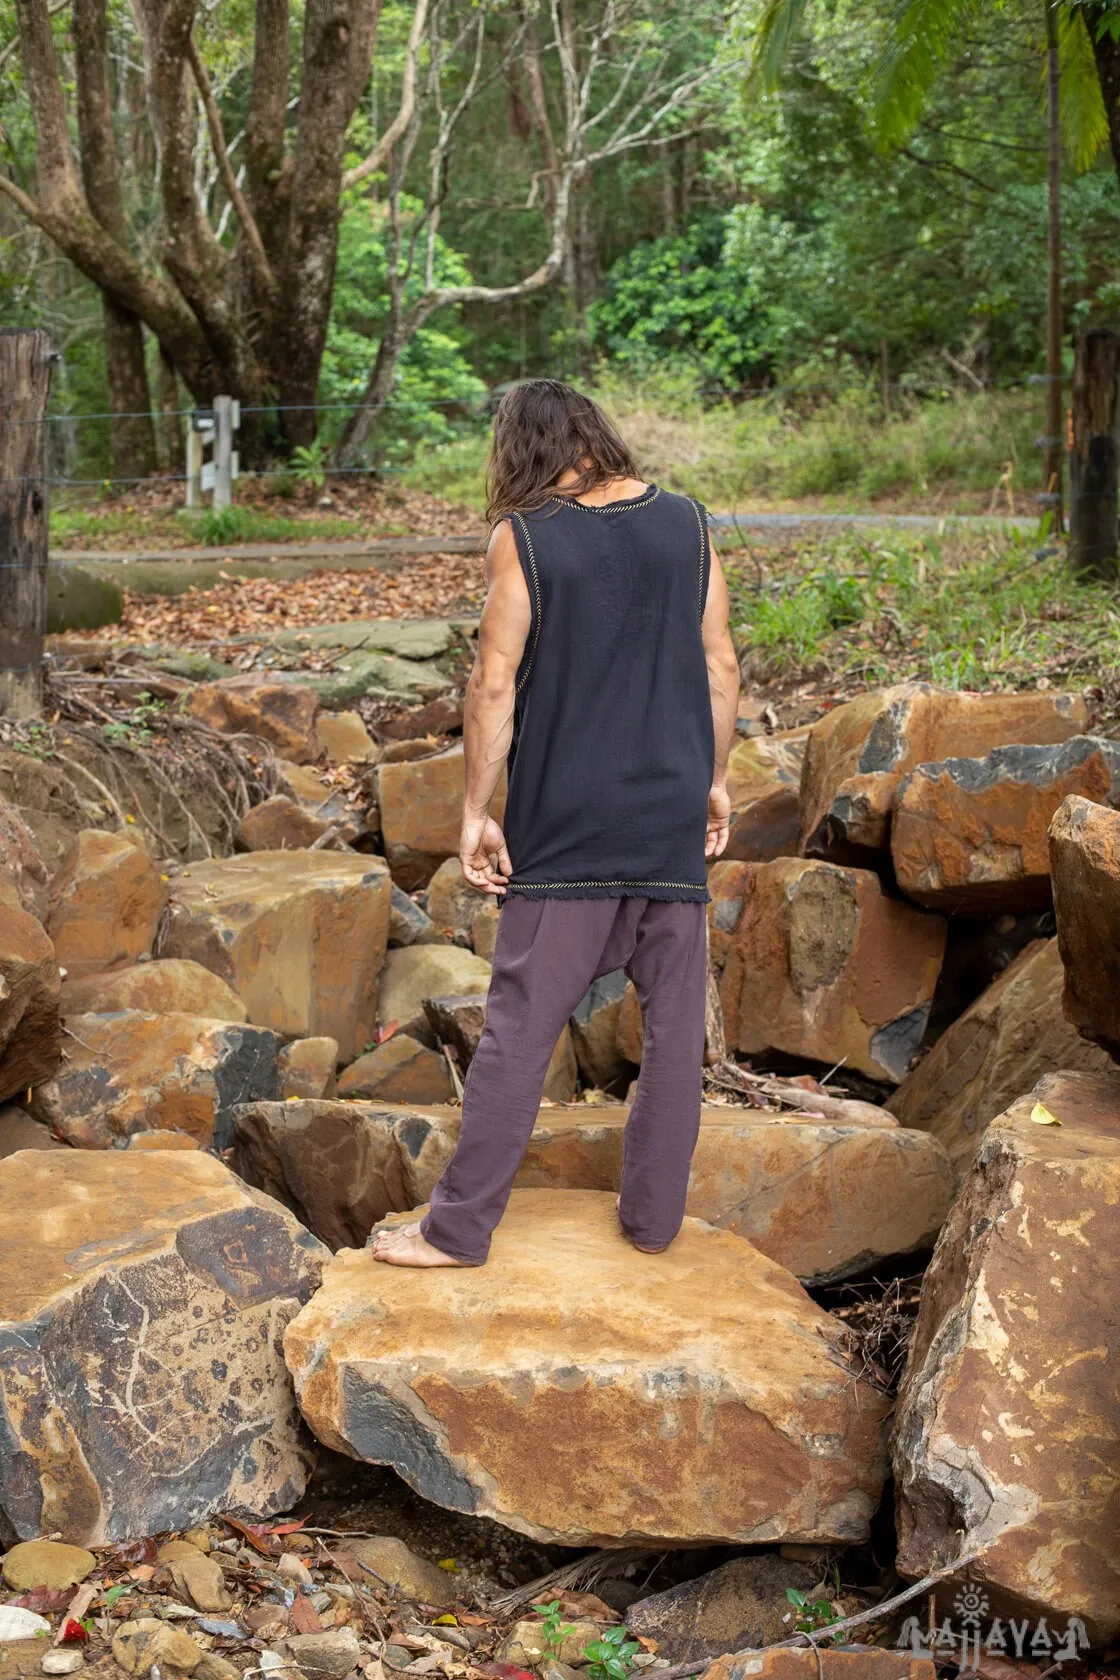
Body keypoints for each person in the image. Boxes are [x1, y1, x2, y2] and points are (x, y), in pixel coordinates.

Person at [372, 379, 740, 1267]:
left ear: (520, 451)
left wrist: (474, 812)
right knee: (673, 1028)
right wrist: (716, 781)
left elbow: (494, 683)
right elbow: (720, 664)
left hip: (569, 821)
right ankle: (653, 1224)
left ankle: (457, 1232)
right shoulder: (688, 525)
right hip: (666, 819)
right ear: (596, 436)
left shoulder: (525, 538)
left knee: (518, 1032)